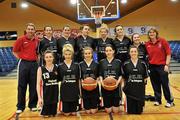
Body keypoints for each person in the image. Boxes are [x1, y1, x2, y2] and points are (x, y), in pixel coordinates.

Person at [12, 23, 39, 114]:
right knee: (22, 86)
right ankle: (20, 106)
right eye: (29, 29)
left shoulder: (36, 40)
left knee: (33, 85)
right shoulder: (21, 39)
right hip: (23, 64)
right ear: (26, 30)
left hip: (34, 64)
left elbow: (37, 52)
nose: (30, 31)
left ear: (34, 31)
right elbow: (15, 51)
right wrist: (22, 58)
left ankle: (33, 105)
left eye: (32, 29)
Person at [145, 28, 174, 108]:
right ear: (148, 34)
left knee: (165, 84)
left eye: (153, 32)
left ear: (156, 33)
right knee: (155, 84)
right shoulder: (147, 44)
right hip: (152, 67)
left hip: (162, 66)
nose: (151, 33)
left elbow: (168, 54)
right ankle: (158, 100)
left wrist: (167, 65)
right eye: (150, 32)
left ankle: (169, 101)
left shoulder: (162, 41)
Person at [122, 46, 148, 114]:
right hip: (130, 88)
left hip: (139, 89)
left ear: (138, 53)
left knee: (139, 111)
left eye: (135, 51)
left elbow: (145, 77)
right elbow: (124, 77)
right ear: (129, 53)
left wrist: (141, 85)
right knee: (130, 111)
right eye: (132, 51)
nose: (133, 53)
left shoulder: (143, 63)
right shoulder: (125, 63)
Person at [58, 44, 80, 116]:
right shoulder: (60, 66)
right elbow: (59, 79)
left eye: (69, 54)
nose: (68, 56)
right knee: (66, 114)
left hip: (74, 90)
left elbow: (78, 79)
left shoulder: (76, 65)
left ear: (72, 54)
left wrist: (79, 91)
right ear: (63, 55)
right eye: (66, 54)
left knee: (74, 113)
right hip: (65, 91)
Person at [99, 44, 122, 113]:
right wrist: (102, 83)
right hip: (105, 87)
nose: (108, 52)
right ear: (105, 52)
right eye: (106, 51)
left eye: (110, 50)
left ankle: (117, 104)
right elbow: (100, 75)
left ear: (113, 51)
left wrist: (117, 83)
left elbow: (120, 75)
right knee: (108, 110)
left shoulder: (118, 62)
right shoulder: (101, 62)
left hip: (115, 87)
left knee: (115, 111)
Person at [36, 50, 59, 117]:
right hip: (45, 95)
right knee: (45, 115)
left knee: (53, 115)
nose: (49, 58)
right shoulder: (41, 69)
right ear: (44, 58)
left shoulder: (57, 67)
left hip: (54, 94)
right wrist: (39, 97)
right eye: (47, 57)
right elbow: (37, 84)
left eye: (50, 57)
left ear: (53, 58)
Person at [79, 47, 99, 114]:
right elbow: (80, 78)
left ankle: (97, 105)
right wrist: (82, 85)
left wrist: (96, 82)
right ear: (83, 54)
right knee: (87, 111)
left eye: (89, 53)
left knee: (93, 111)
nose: (87, 55)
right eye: (86, 53)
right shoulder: (80, 64)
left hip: (94, 88)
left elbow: (98, 76)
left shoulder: (96, 64)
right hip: (85, 88)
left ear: (92, 54)